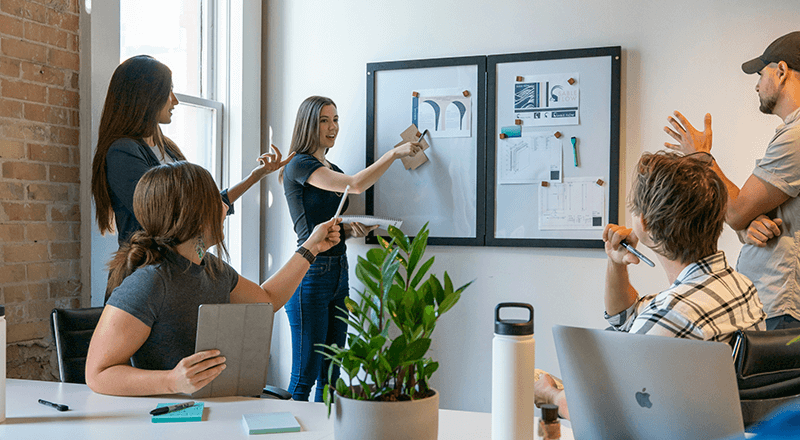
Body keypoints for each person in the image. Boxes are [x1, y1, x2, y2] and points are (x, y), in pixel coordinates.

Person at [535, 151, 767, 419]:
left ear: (644, 223)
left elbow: (608, 411)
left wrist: (551, 396)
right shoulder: (740, 286)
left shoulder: (672, 314)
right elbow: (625, 319)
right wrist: (616, 264)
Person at [85, 161, 340, 396]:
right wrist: (172, 380)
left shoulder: (213, 269)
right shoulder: (150, 282)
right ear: (193, 214)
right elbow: (97, 374)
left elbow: (268, 299)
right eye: (216, 200)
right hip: (170, 418)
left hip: (213, 409)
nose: (225, 207)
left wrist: (311, 247)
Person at [279, 95, 422, 401]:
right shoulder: (299, 164)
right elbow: (355, 185)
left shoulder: (331, 167)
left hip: (338, 271)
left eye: (335, 119)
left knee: (331, 377)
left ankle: (324, 427)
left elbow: (327, 224)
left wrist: (350, 230)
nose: (332, 127)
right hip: (310, 272)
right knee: (304, 378)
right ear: (308, 125)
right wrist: (393, 154)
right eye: (324, 121)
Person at [664, 31, 800, 330]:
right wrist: (749, 226)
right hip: (776, 303)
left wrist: (701, 157)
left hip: (783, 307)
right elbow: (747, 213)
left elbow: (736, 211)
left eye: (761, 74)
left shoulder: (796, 137)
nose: (757, 85)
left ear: (781, 71)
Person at [91, 55, 293, 247]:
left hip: (177, 264)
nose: (175, 100)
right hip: (149, 265)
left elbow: (206, 205)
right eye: (168, 91)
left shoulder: (167, 148)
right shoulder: (122, 152)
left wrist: (256, 175)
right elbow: (161, 215)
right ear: (146, 97)